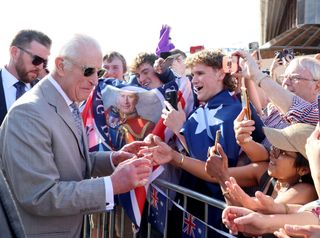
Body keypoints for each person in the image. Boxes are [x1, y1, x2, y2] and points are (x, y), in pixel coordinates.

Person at [0, 33, 153, 237]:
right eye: (88, 71)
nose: (95, 81)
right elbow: (40, 195)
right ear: (61, 65)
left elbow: (68, 159)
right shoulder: (28, 112)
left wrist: (112, 158)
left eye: (98, 72)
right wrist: (112, 185)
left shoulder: (67, 101)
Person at [0, 29, 51, 125]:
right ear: (15, 52)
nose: (40, 67)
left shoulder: (46, 93)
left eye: (44, 63)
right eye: (37, 60)